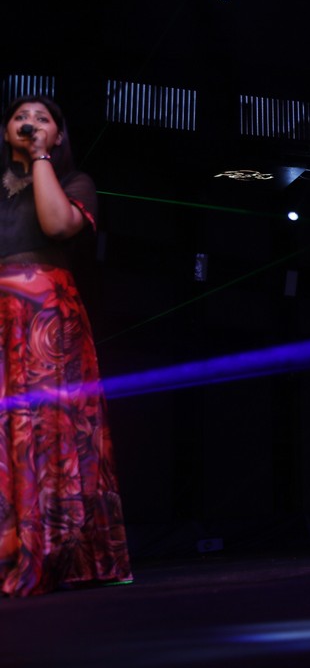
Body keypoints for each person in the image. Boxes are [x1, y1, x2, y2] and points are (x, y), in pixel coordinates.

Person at [1, 95, 133, 597]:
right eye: (20, 117)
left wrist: (39, 159)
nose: (29, 123)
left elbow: (58, 225)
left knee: (49, 430)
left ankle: (57, 552)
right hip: (1, 315)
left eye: (42, 119)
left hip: (45, 318)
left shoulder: (76, 182)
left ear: (58, 136)